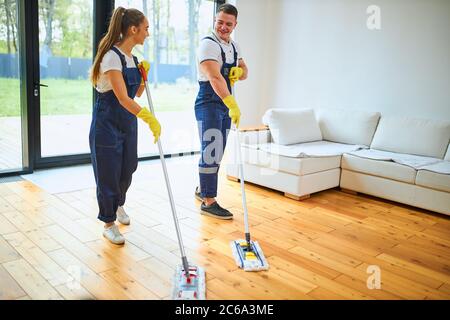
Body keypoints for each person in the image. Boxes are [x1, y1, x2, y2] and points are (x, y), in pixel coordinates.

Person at [89, 7, 161, 244]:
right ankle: (108, 223)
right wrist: (149, 118)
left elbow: (136, 94)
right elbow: (121, 97)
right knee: (108, 172)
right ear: (133, 29)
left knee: (128, 167)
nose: (148, 34)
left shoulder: (133, 59)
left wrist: (143, 76)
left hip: (127, 121)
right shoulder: (112, 57)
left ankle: (118, 204)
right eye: (146, 28)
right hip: (107, 121)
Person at [194, 4, 248, 220]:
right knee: (211, 149)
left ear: (235, 25)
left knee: (218, 150)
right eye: (220, 22)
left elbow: (245, 71)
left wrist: (239, 71)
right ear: (214, 21)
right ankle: (208, 201)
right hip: (209, 101)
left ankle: (202, 189)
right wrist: (232, 104)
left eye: (228, 23)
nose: (223, 27)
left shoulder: (234, 46)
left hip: (224, 102)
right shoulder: (208, 45)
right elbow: (215, 78)